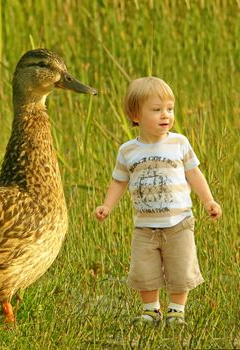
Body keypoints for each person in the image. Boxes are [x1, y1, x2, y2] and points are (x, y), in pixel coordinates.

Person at [94, 76, 222, 325]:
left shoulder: (179, 143)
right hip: (145, 226)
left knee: (181, 267)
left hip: (179, 223)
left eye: (169, 109)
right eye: (156, 110)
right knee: (145, 269)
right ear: (135, 114)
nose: (166, 115)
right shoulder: (128, 150)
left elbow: (193, 173)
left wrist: (208, 200)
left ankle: (176, 310)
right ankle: (151, 309)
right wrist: (107, 205)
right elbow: (119, 181)